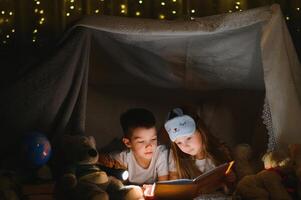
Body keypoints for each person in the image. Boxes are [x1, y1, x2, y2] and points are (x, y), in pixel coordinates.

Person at [164, 107, 235, 188]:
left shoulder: (220, 151)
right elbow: (174, 186)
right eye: (179, 143)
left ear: (201, 131)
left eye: (189, 138)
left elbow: (231, 185)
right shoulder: (176, 158)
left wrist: (230, 179)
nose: (185, 146)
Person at [99, 108, 169, 185]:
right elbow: (98, 159)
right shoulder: (123, 157)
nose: (149, 146)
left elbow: (163, 186)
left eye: (153, 139)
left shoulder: (161, 154)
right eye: (141, 141)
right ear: (128, 143)